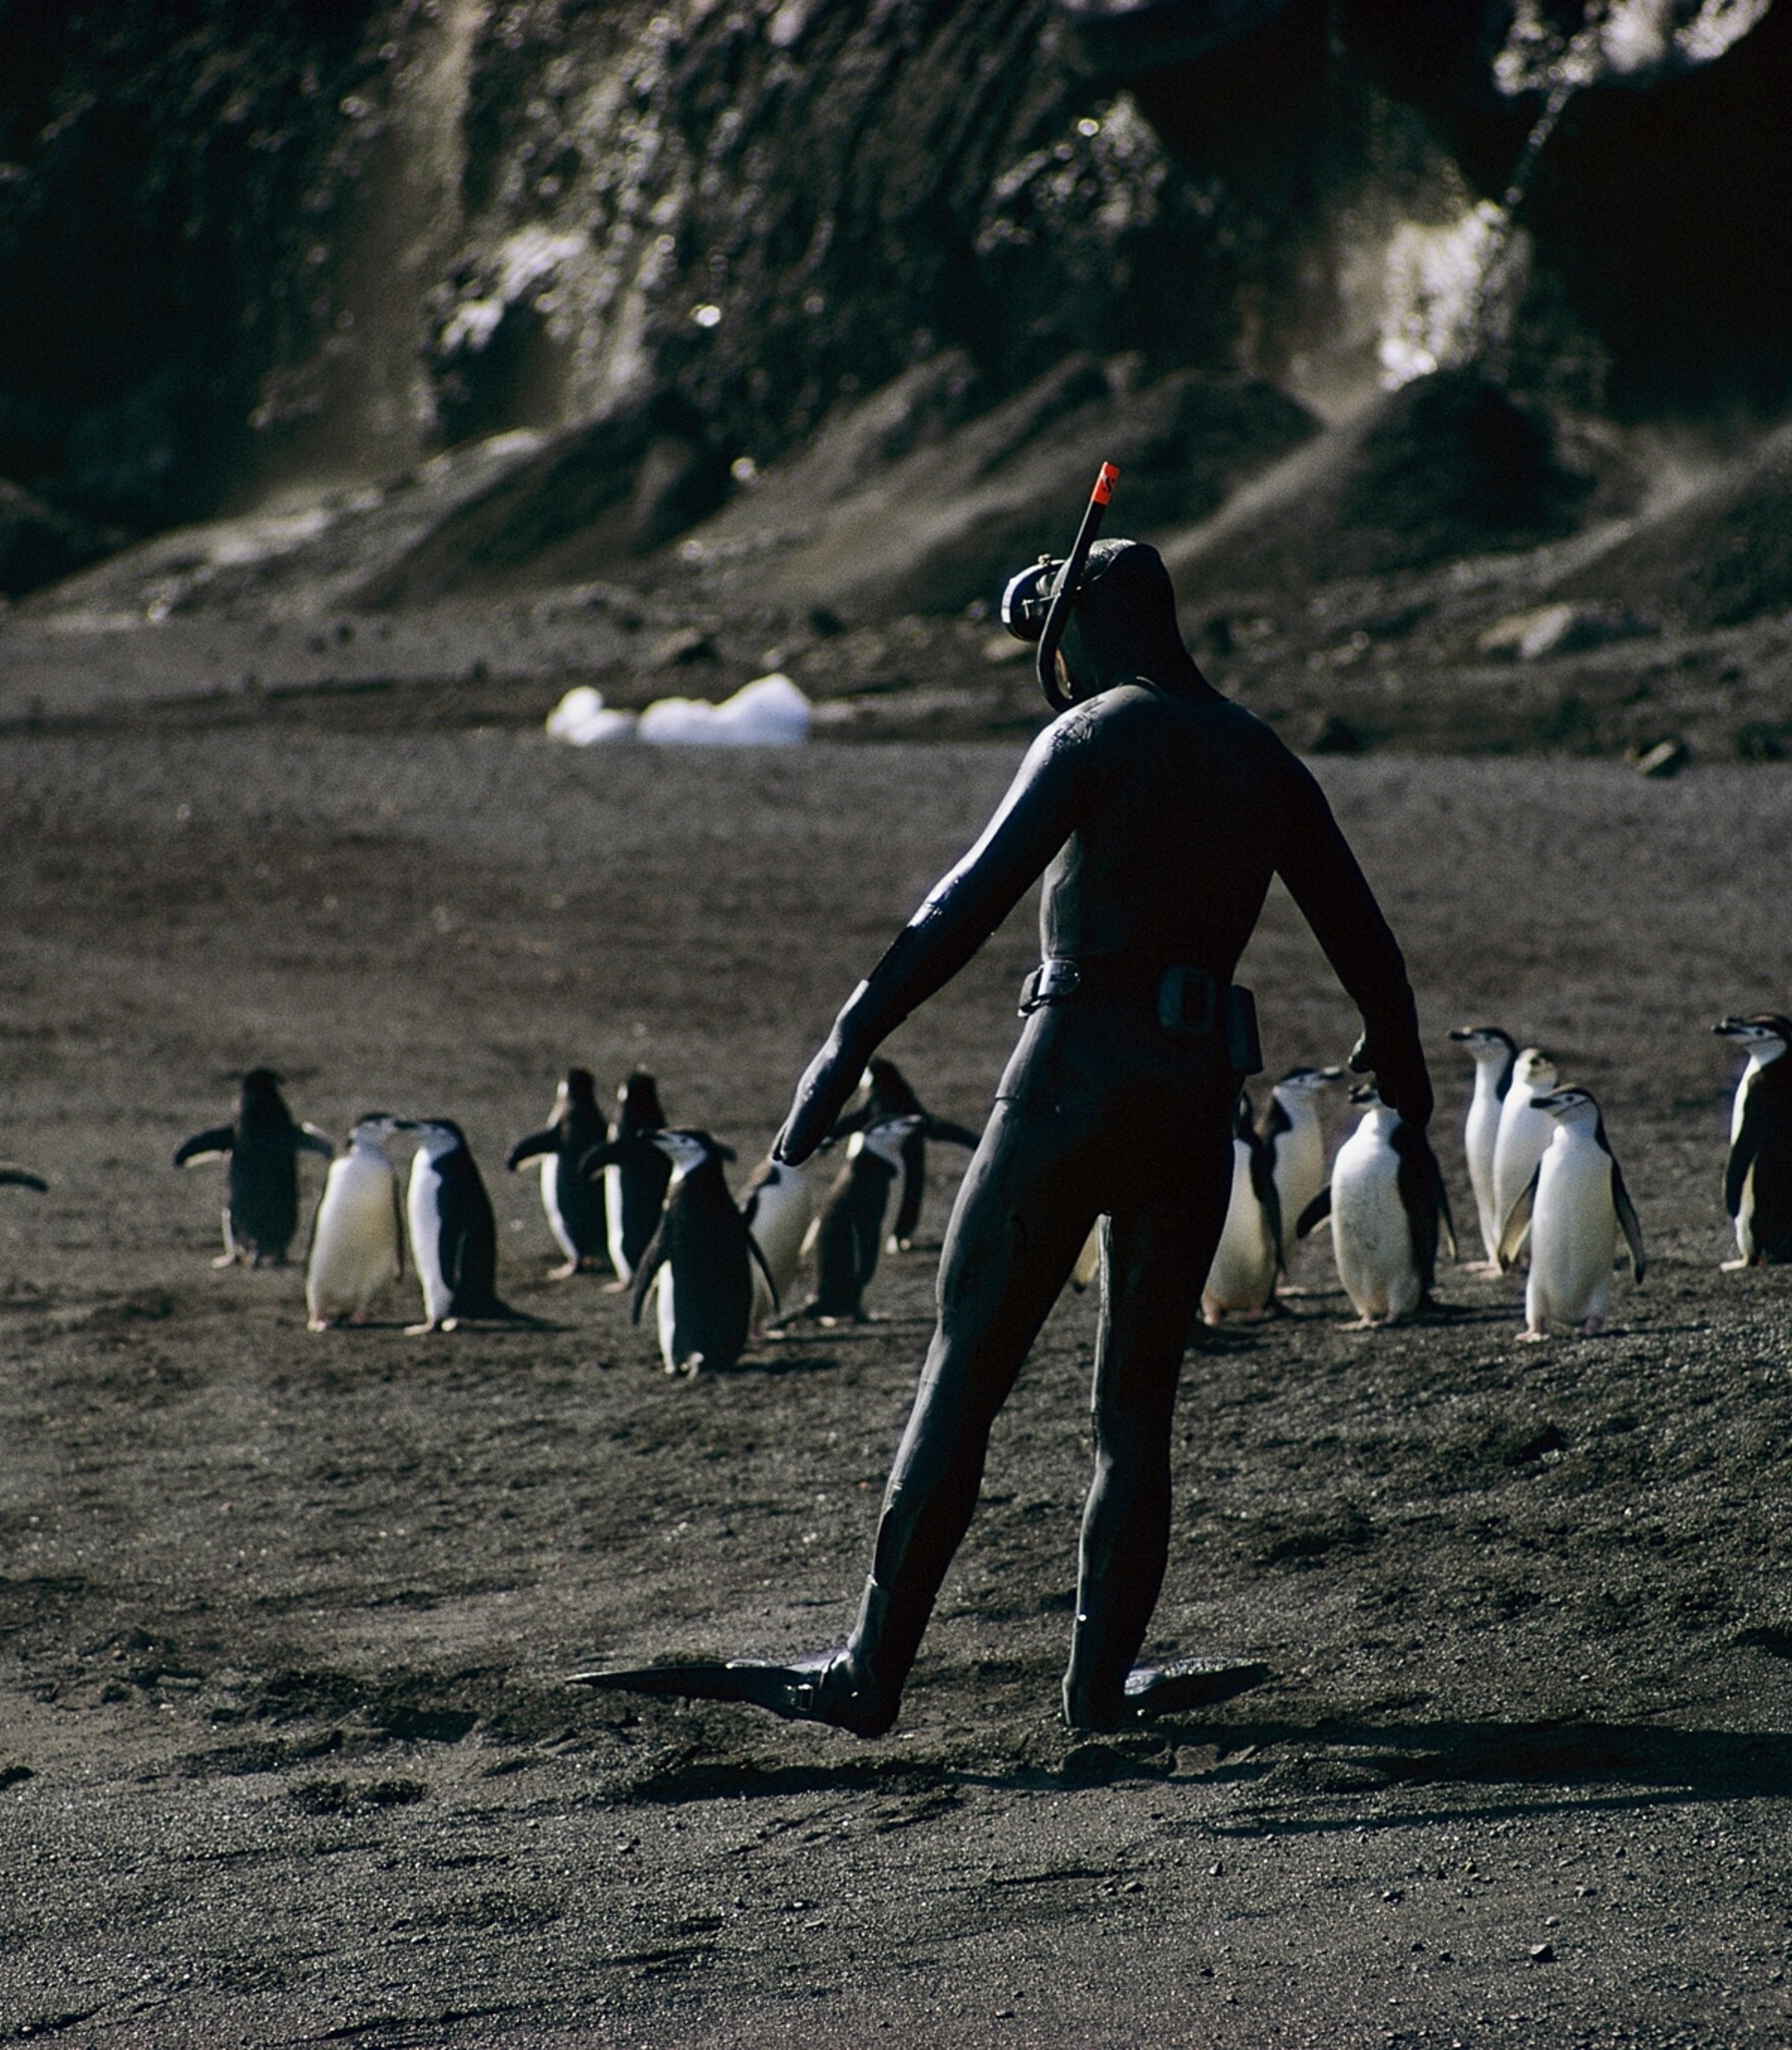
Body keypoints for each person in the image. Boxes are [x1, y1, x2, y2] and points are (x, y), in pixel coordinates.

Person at [580, 527, 1436, 1735]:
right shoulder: (1264, 759)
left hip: (1071, 1074)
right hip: (1195, 1093)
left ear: (1089, 621)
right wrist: (1401, 1072)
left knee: (966, 1369)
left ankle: (870, 1671)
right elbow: (1369, 947)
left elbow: (960, 904)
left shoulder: (1092, 735)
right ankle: (1096, 1687)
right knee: (1135, 1413)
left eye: (1056, 633)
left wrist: (846, 1043)